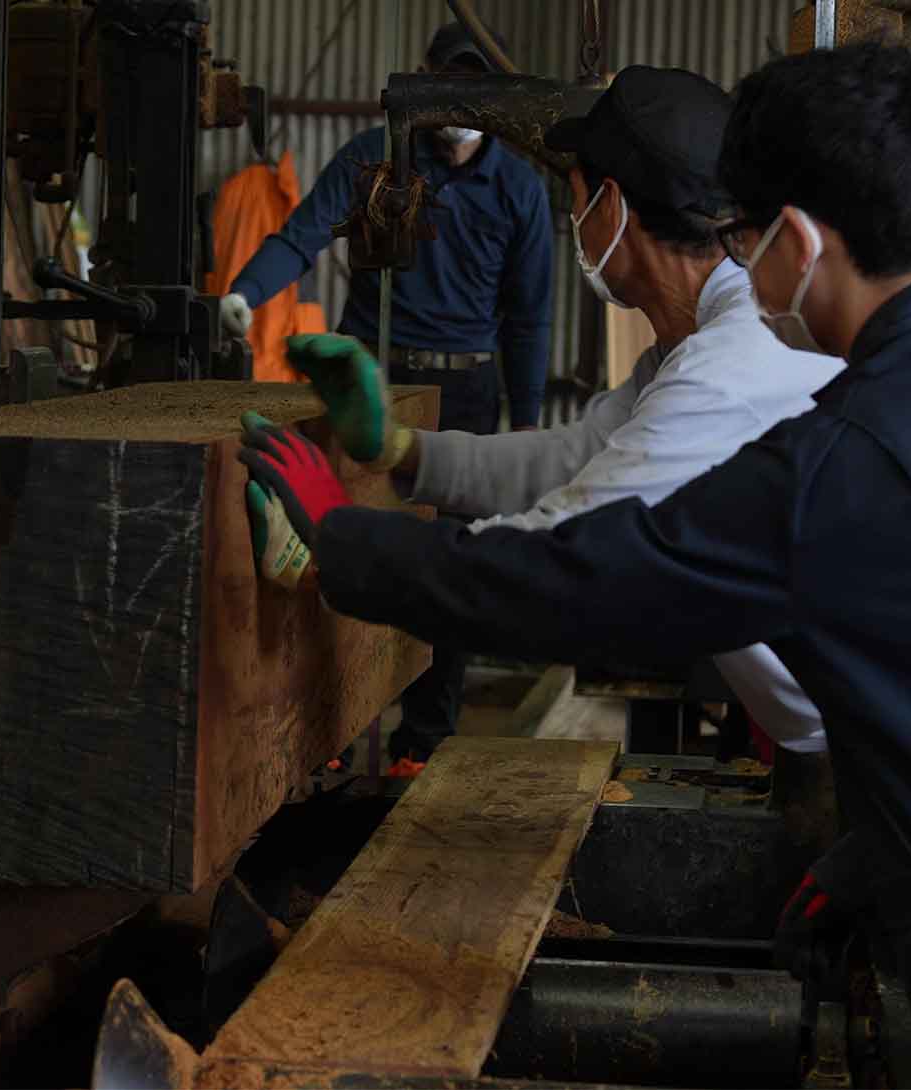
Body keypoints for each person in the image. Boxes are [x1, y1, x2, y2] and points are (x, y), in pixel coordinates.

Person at [238, 42, 911, 1087]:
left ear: (791, 242)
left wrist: (339, 537)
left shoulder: (844, 455)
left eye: (744, 234)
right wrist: (874, 857)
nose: (737, 261)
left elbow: (575, 585)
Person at [258, 65, 841, 754]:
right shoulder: (701, 343)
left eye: (578, 199)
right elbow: (578, 458)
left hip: (884, 755)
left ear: (614, 208)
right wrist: (404, 451)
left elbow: (550, 562)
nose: (578, 224)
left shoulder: (730, 369)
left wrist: (338, 541)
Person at [224, 20, 554, 772]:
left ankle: (422, 742)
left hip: (467, 388)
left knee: (452, 564)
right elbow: (301, 235)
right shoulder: (376, 159)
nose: (458, 103)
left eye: (475, 88)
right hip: (369, 383)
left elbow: (529, 317)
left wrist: (527, 426)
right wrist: (246, 291)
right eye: (447, 84)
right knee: (335, 548)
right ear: (422, 80)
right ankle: (329, 736)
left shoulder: (520, 187)